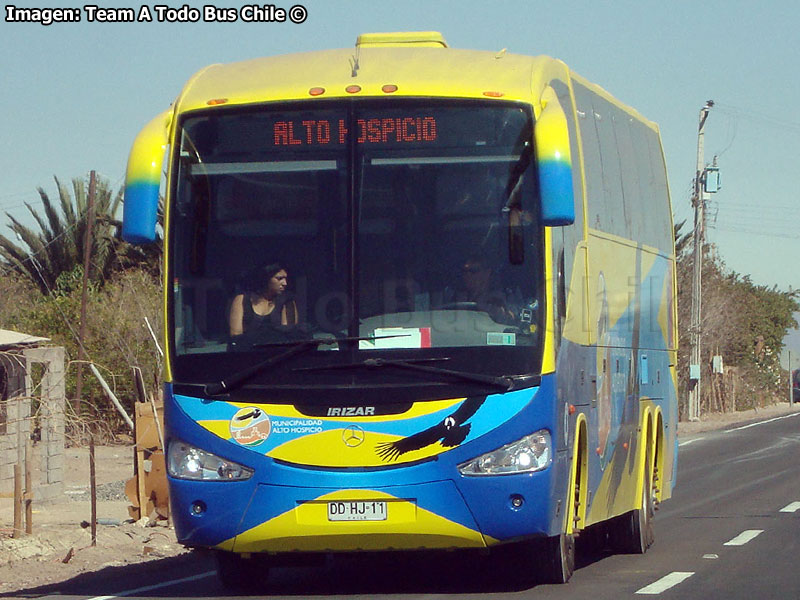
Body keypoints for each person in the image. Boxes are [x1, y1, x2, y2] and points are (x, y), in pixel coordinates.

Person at [229, 262, 299, 343]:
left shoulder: (286, 301)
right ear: (266, 279)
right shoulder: (242, 300)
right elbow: (236, 337)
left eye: (285, 279)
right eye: (279, 278)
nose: (285, 283)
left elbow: (289, 335)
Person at [447, 255, 518, 324]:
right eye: (465, 271)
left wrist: (500, 312)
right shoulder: (457, 297)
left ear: (487, 273)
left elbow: (511, 321)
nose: (467, 275)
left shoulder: (502, 298)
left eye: (473, 271)